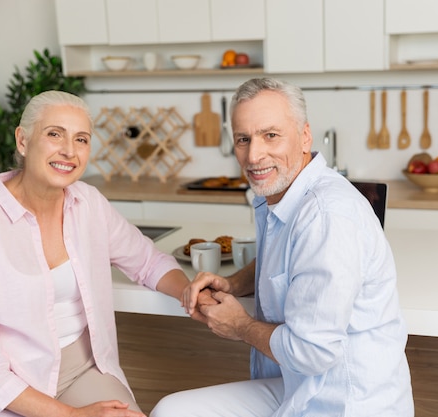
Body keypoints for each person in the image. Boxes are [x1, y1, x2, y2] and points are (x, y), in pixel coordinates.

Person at [151, 78, 414, 416]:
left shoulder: (326, 215)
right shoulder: (281, 194)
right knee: (170, 411)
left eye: (270, 135)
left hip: (345, 402)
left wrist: (241, 326)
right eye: (243, 139)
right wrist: (233, 283)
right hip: (299, 389)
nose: (254, 154)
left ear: (305, 136)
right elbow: (282, 256)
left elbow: (312, 352)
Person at [0, 91, 192, 416]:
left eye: (81, 139)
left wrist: (190, 292)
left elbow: (147, 261)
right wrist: (75, 416)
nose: (69, 151)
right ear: (23, 140)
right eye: (54, 134)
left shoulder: (88, 203)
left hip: (82, 369)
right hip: (5, 388)